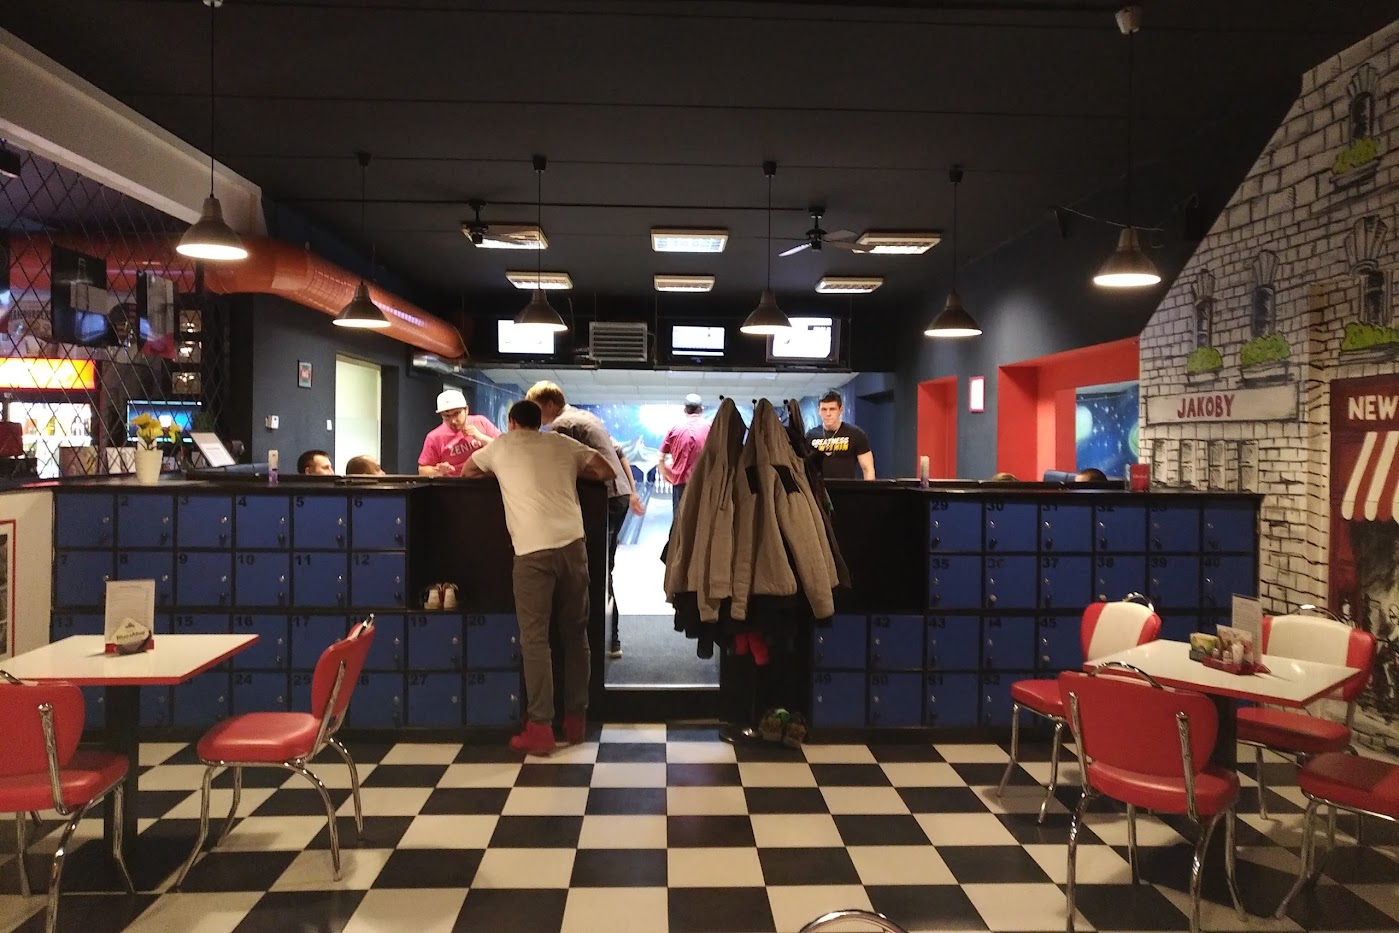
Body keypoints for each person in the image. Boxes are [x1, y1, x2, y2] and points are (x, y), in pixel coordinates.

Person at [460, 399, 614, 756]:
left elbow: (467, 471)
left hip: (531, 552)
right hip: (573, 546)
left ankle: (541, 728)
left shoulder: (501, 446)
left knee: (535, 640)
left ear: (512, 423)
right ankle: (576, 720)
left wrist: (501, 473)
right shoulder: (561, 443)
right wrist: (570, 473)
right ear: (539, 422)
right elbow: (605, 470)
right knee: (576, 635)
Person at [524, 381, 633, 657]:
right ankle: (610, 638)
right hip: (618, 494)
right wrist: (632, 491)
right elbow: (619, 454)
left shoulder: (562, 426)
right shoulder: (586, 417)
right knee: (603, 568)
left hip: (604, 498)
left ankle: (600, 639)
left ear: (549, 404)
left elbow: (560, 465)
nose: (534, 415)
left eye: (536, 408)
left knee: (594, 570)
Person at [418, 389, 500, 477]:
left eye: (456, 414)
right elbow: (422, 470)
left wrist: (481, 437)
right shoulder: (434, 437)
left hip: (488, 479)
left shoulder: (481, 422)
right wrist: (438, 471)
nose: (453, 421)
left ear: (466, 410)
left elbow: (504, 449)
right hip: (456, 482)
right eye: (447, 416)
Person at [805, 390, 874, 480]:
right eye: (824, 409)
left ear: (840, 410)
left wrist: (869, 488)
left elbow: (867, 469)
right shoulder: (810, 436)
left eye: (832, 409)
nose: (828, 414)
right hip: (819, 487)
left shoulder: (855, 434)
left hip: (846, 487)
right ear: (819, 411)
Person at [660, 393, 711, 513]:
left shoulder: (674, 428)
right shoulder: (710, 427)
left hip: (680, 484)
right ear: (701, 409)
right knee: (702, 521)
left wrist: (666, 475)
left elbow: (660, 458)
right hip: (703, 483)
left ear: (685, 410)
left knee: (680, 521)